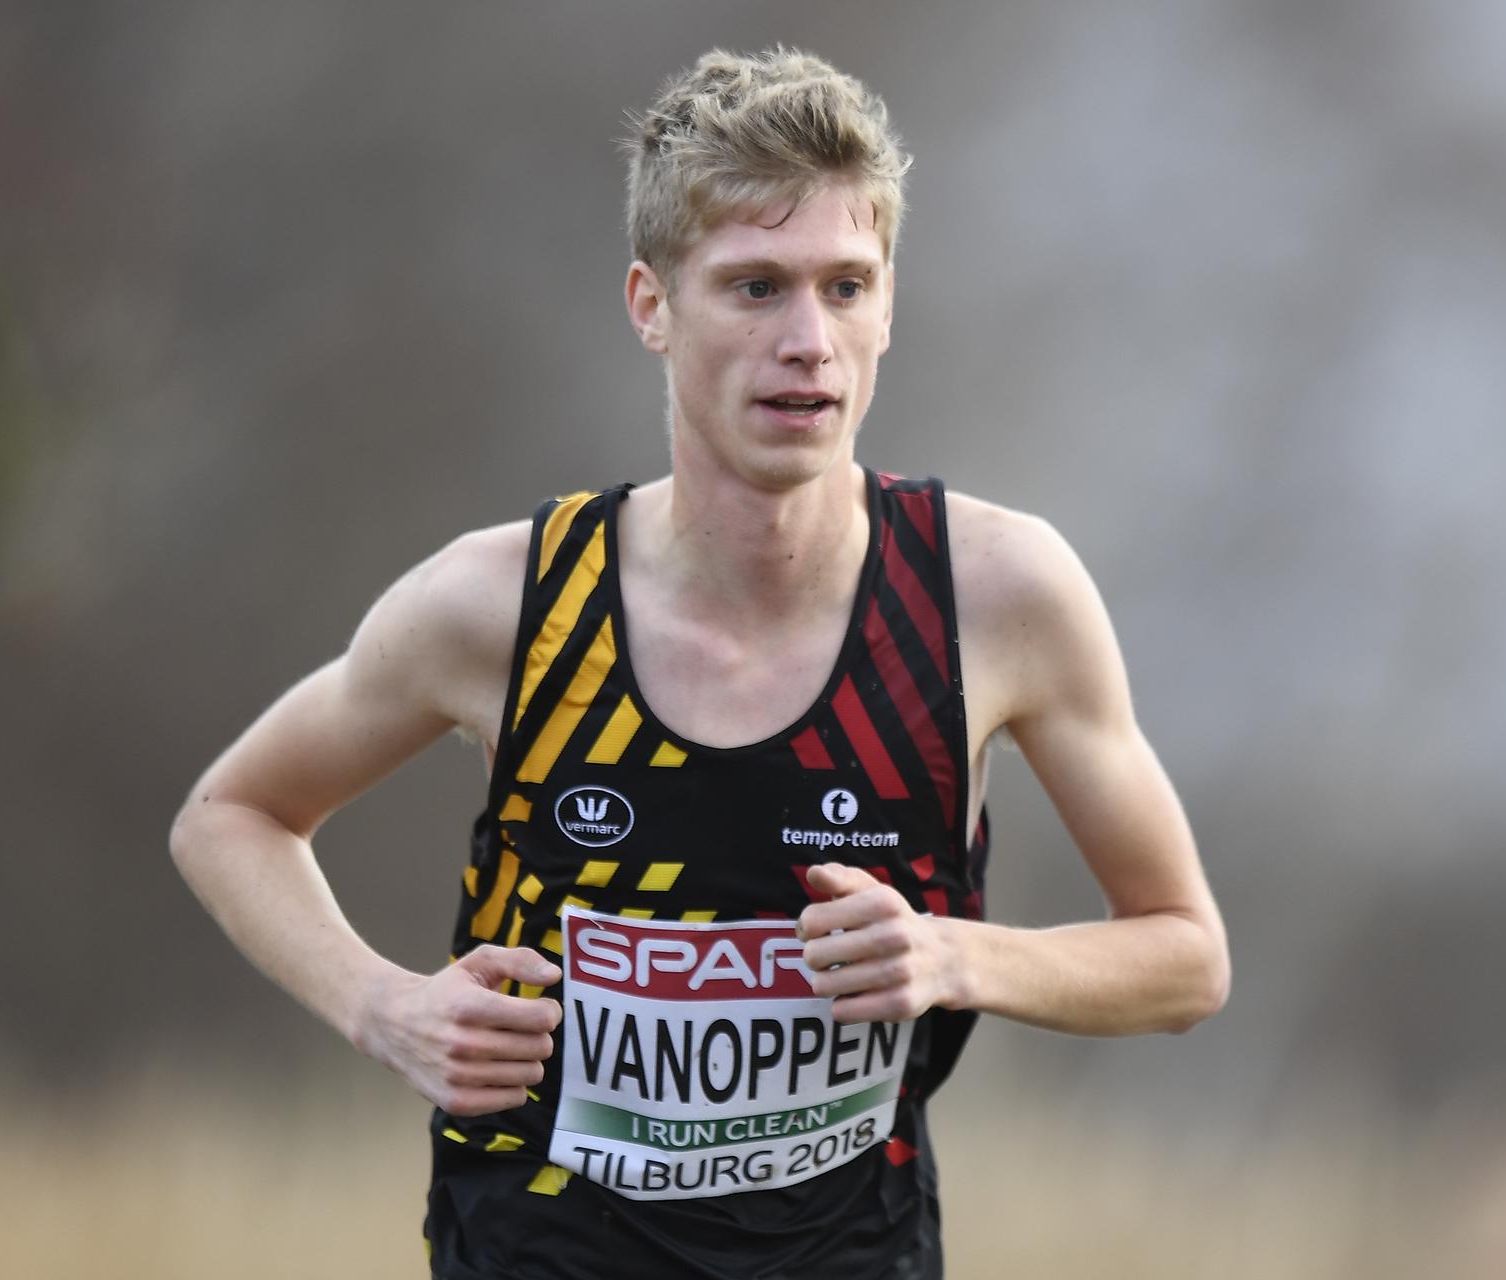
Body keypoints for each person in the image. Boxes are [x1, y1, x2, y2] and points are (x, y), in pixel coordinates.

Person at [170, 46, 1229, 1280]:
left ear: (890, 306)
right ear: (651, 304)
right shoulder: (503, 605)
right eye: (755, 287)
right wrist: (383, 1005)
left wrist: (955, 955)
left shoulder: (995, 594)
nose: (808, 342)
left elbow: (1184, 954)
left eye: (846, 286)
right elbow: (230, 813)